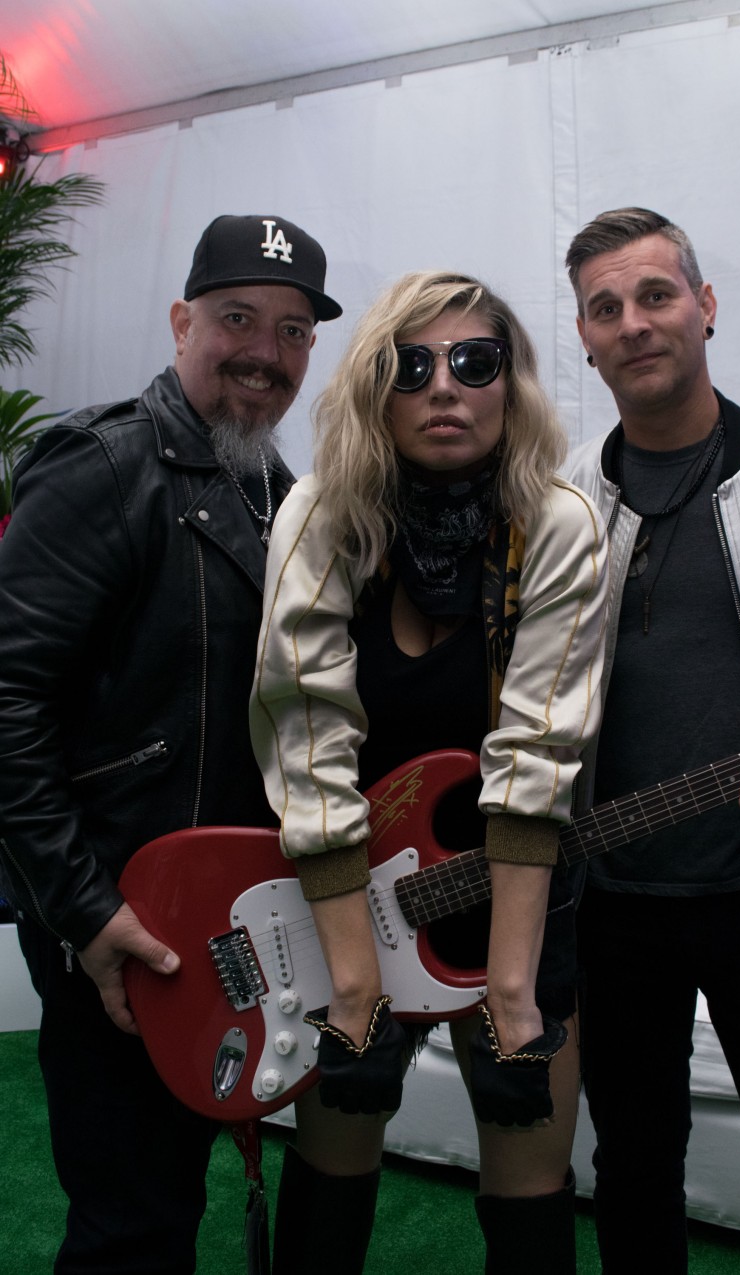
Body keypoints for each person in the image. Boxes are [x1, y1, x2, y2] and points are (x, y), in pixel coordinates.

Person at [0, 213, 341, 1273]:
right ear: (181, 321)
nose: (264, 353)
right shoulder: (102, 464)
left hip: (218, 925)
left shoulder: (279, 491)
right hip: (120, 923)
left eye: (293, 332)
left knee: (166, 1203)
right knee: (132, 1225)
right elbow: (6, 701)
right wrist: (87, 912)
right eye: (238, 318)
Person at [249, 269, 609, 1274]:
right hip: (349, 895)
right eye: (411, 366)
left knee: (530, 1181)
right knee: (333, 1166)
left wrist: (512, 994)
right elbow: (305, 733)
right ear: (376, 386)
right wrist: (354, 981)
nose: (443, 385)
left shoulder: (557, 523)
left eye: (473, 361)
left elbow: (537, 754)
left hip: (515, 895)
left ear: (510, 384)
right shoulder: (324, 513)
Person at [565, 206, 740, 1273]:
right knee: (633, 1172)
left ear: (706, 305)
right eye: (606, 308)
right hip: (613, 903)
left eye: (656, 294)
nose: (634, 323)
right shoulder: (559, 506)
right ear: (585, 339)